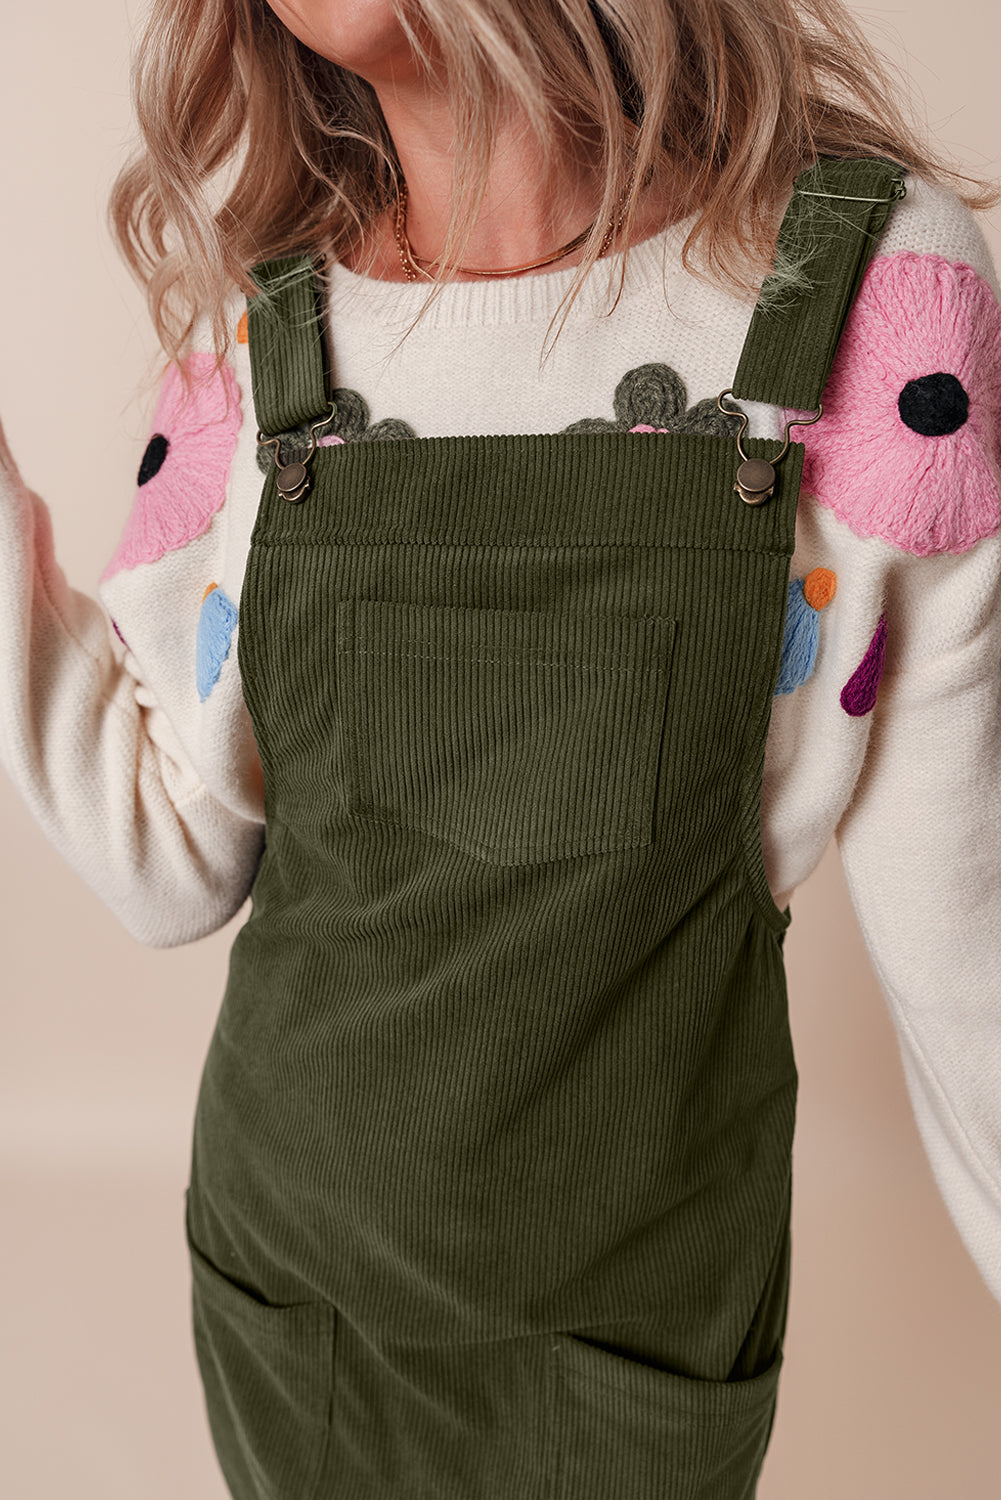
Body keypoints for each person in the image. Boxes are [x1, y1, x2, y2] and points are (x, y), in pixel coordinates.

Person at [1, 0, 999, 1494]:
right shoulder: (263, 335)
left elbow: (970, 941)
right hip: (297, 1306)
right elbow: (172, 862)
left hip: (641, 1338)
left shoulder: (866, 290)